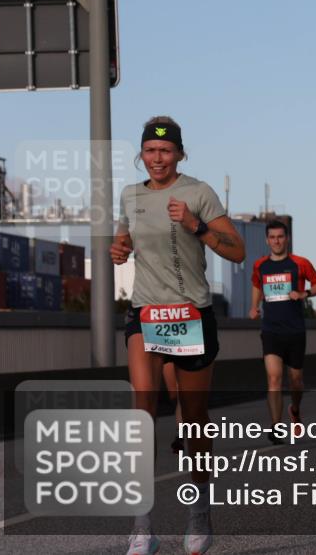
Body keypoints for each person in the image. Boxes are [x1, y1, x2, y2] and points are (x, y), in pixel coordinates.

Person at [112, 116, 245, 555]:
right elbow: (123, 240)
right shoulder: (130, 195)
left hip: (191, 314)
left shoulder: (199, 193)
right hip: (146, 313)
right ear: (141, 154)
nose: (157, 159)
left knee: (194, 421)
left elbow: (238, 250)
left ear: (180, 155)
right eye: (150, 151)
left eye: (166, 151)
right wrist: (119, 249)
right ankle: (142, 527)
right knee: (142, 413)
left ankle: (199, 512)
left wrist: (197, 226)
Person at [249, 220, 316, 444]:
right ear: (267, 240)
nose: (276, 241)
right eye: (272, 237)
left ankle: (295, 409)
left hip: (295, 330)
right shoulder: (260, 265)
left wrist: (305, 294)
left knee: (296, 381)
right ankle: (275, 427)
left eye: (280, 237)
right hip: (271, 329)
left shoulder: (300, 263)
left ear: (287, 238)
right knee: (273, 378)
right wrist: (254, 306)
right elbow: (257, 285)